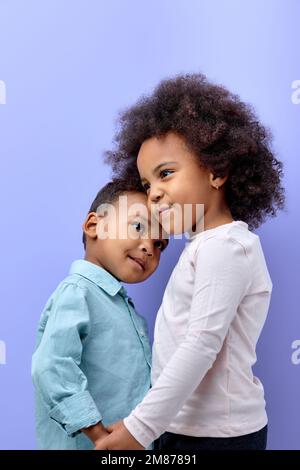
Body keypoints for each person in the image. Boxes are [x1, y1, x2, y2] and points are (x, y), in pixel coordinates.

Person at [97, 73, 285, 450]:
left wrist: (138, 429)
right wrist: (146, 420)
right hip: (182, 427)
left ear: (216, 170)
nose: (154, 194)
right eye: (148, 185)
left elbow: (200, 345)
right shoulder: (204, 246)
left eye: (166, 174)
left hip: (218, 438)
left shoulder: (226, 247)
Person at [31, 178, 168, 449]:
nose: (149, 248)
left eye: (160, 244)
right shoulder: (77, 292)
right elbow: (52, 366)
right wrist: (99, 436)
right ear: (95, 226)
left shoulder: (123, 309)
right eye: (138, 226)